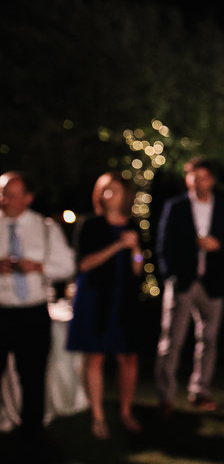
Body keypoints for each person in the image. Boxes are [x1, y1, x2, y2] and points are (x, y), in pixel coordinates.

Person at [154, 157, 224, 414]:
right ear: (187, 178)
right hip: (183, 282)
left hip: (212, 283)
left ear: (211, 179)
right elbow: (163, 243)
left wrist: (219, 246)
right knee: (172, 340)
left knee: (209, 339)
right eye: (193, 177)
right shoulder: (176, 207)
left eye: (203, 177)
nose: (198, 182)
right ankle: (166, 397)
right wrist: (170, 275)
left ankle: (200, 390)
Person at [66, 172, 145, 439]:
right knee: (96, 356)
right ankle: (98, 416)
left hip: (124, 300)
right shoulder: (91, 225)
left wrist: (135, 249)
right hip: (96, 298)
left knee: (129, 358)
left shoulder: (133, 225)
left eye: (114, 190)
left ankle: (125, 412)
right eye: (104, 190)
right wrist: (116, 247)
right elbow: (84, 264)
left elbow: (138, 269)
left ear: (125, 195)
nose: (108, 195)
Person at [0, 171, 75, 446]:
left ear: (28, 198)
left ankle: (32, 435)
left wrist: (39, 267)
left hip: (31, 312)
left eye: (10, 194)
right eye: (2, 193)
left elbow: (67, 265)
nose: (3, 199)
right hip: (0, 310)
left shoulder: (45, 228)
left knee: (32, 377)